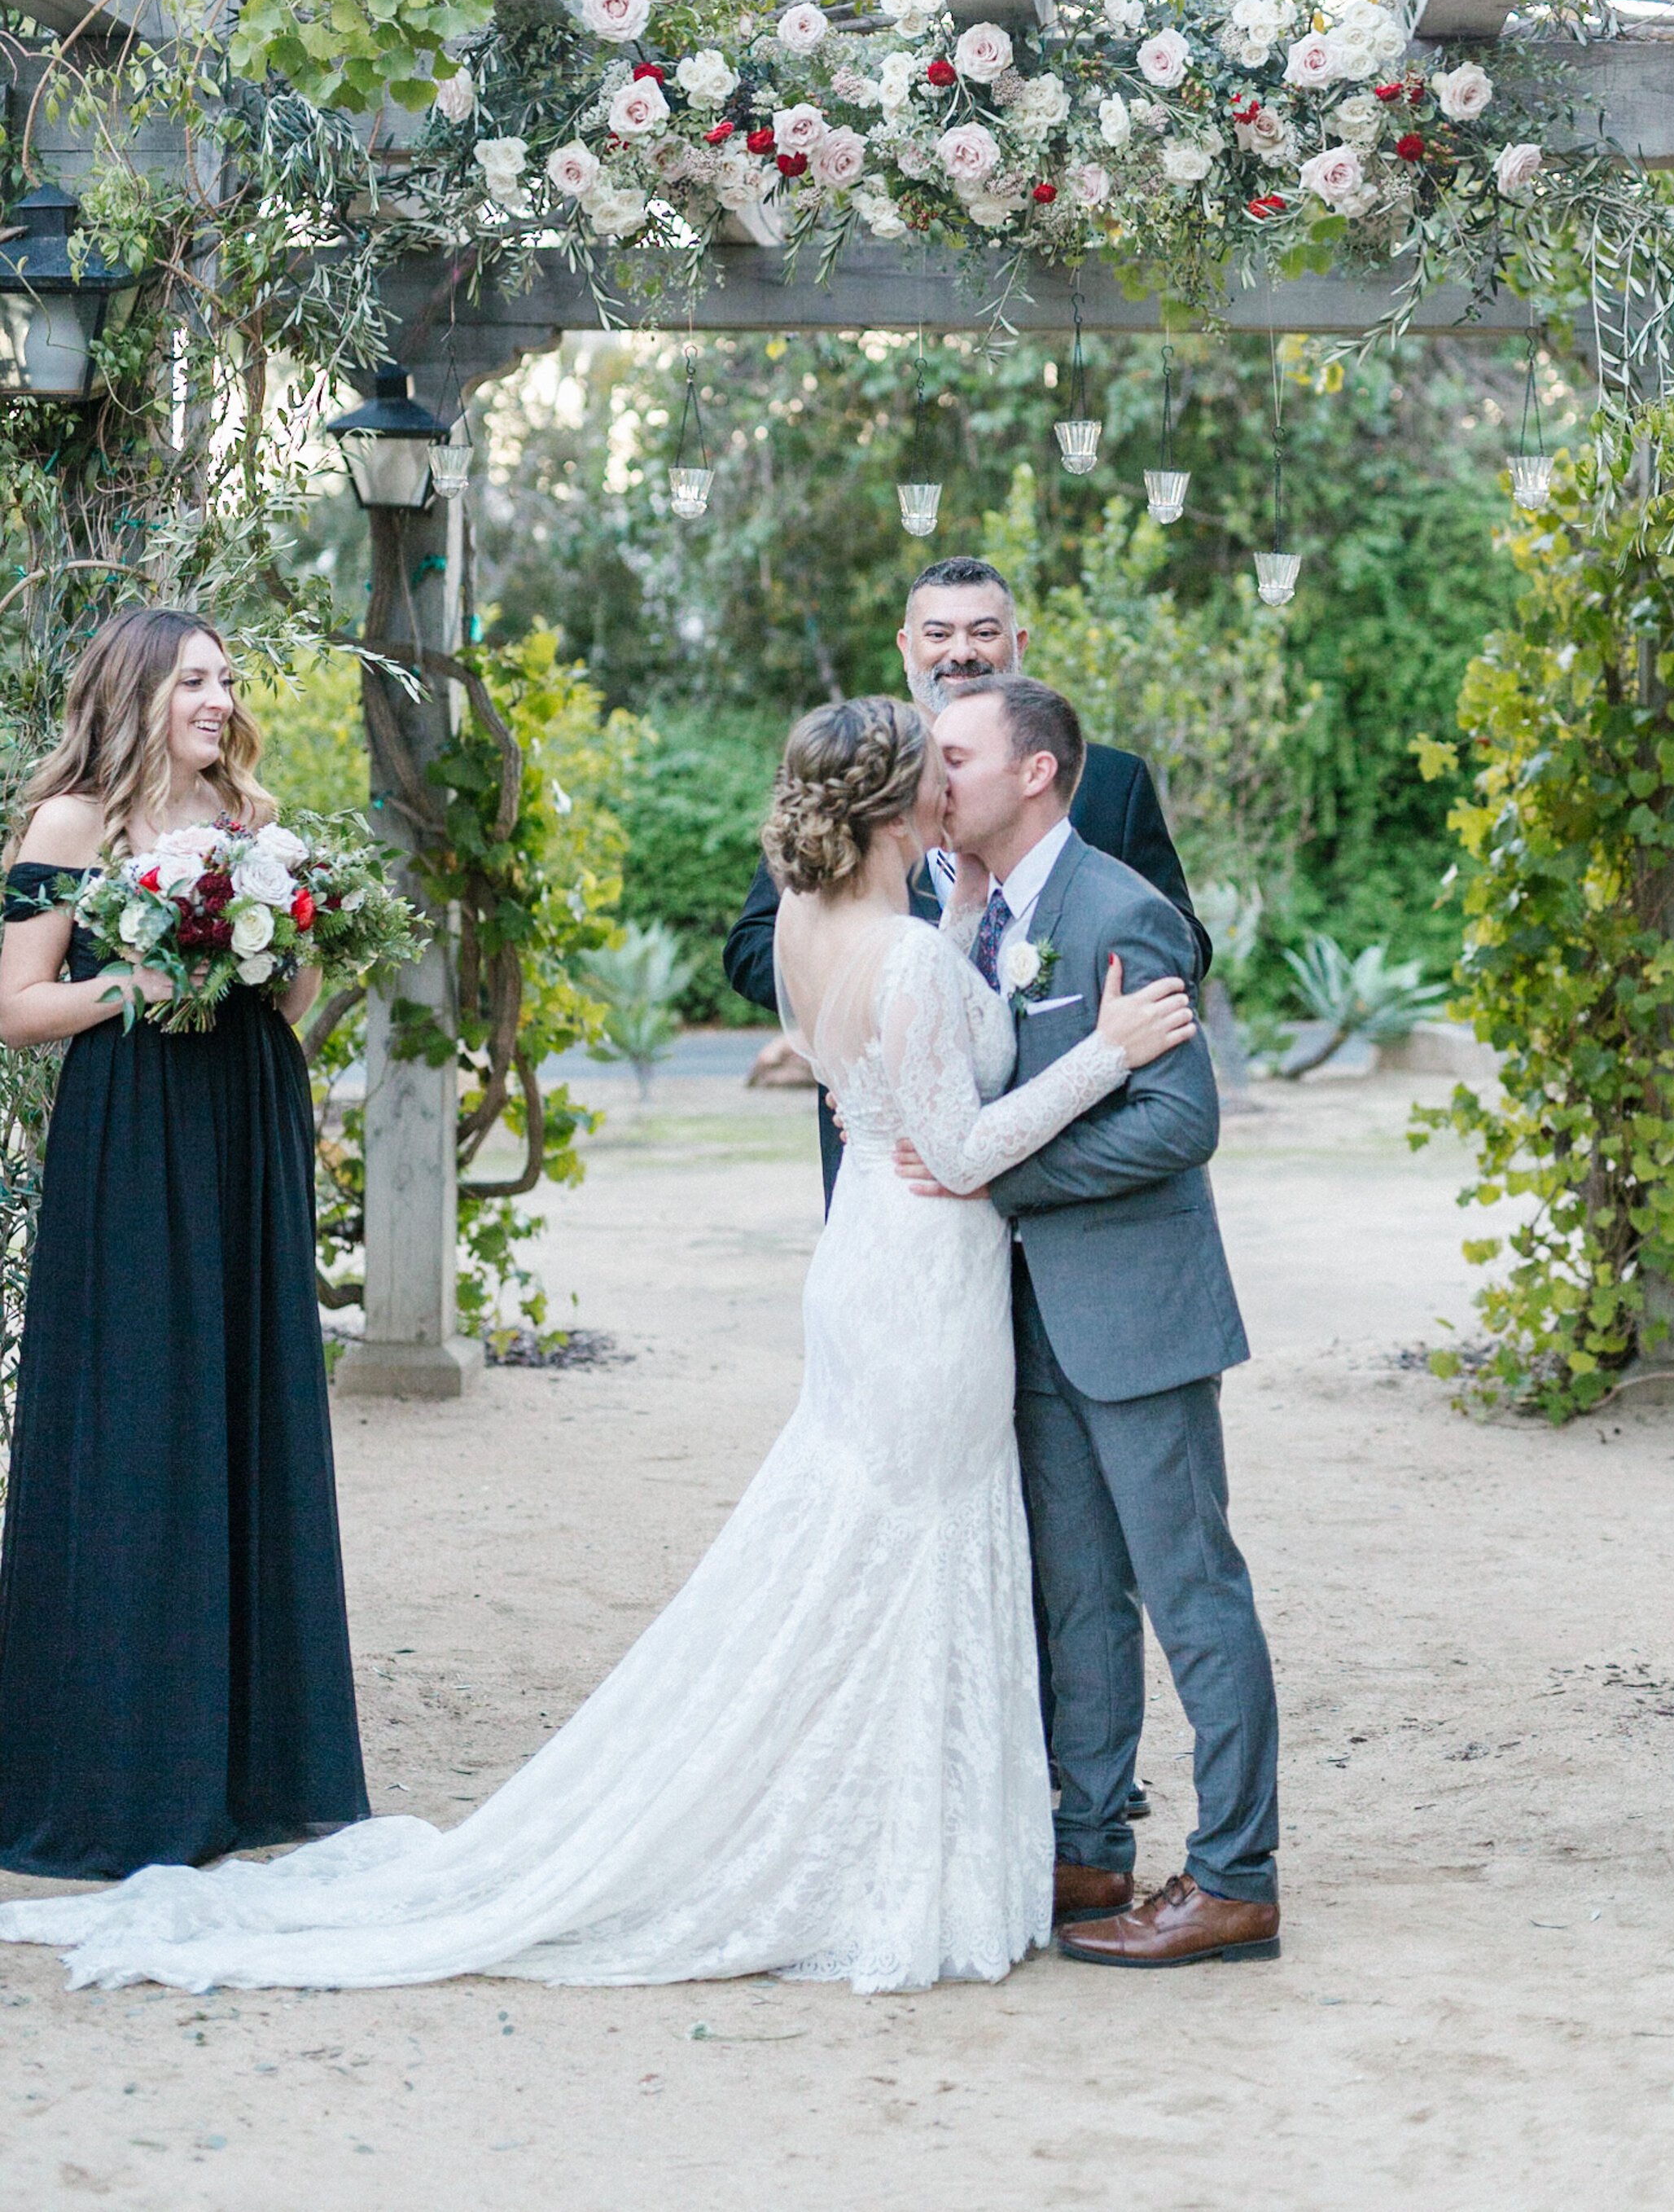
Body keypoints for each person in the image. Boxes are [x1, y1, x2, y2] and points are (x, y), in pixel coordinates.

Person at [0, 695, 1197, 1994]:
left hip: (872, 1268)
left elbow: (912, 1045)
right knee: (912, 1551)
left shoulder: (824, 923)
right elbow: (958, 1149)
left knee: (866, 1550)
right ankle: (908, 1858)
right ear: (902, 805)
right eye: (939, 778)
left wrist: (961, 907)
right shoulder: (901, 955)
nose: (955, 796)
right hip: (923, 1281)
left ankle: (932, 1836)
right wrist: (1107, 1055)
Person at [901, 675, 1282, 1968]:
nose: (930, 774)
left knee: (1191, 1592)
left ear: (1035, 774)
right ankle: (1090, 1848)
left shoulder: (1120, 909)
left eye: (953, 754)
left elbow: (1182, 1121)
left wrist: (999, 1176)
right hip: (1027, 1323)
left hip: (1136, 1313)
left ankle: (1235, 1876)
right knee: (1076, 1599)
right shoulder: (977, 910)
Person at [0, 607, 368, 1881]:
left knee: (250, 1408)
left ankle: (261, 1765)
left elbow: (300, 994)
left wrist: (279, 936)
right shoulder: (71, 825)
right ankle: (116, 1765)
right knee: (144, 1414)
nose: (218, 698)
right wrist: (142, 981)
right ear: (139, 689)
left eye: (226, 677)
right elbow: (16, 1003)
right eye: (195, 679)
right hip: (136, 1135)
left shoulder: (258, 819)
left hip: (245, 1123)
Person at [723, 555, 1209, 1208]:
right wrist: (875, 1032)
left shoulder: (1107, 782)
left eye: (984, 633)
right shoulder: (856, 783)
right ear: (906, 648)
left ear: (1018, 645)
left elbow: (1178, 940)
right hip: (903, 1164)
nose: (961, 653)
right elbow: (754, 944)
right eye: (938, 634)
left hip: (1066, 1155)